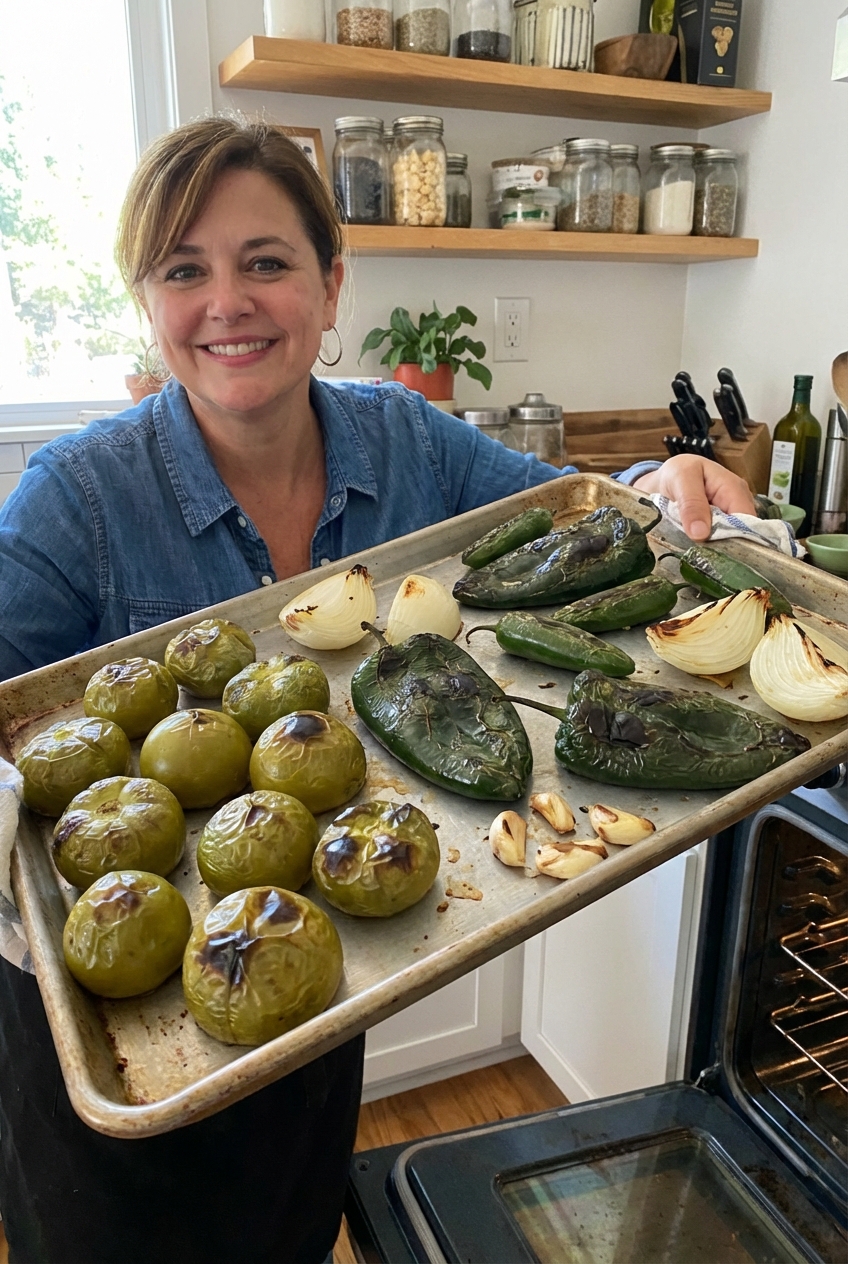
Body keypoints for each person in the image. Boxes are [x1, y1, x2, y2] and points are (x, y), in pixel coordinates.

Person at [0, 117, 757, 1263]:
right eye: (182, 270)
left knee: (292, 1230)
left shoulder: (407, 440)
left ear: (328, 278)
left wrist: (661, 477)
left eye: (266, 262)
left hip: (311, 964)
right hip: (121, 1031)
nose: (227, 303)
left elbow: (568, 515)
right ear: (145, 299)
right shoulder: (79, 499)